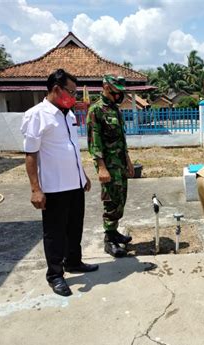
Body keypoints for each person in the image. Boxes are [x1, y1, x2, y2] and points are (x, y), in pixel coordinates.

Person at [21, 69, 98, 297]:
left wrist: (82, 175)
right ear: (56, 89)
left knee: (75, 227)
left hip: (74, 184)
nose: (74, 97)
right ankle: (55, 275)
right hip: (53, 188)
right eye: (71, 91)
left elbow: (72, 148)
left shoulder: (69, 114)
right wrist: (36, 189)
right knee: (55, 233)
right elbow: (30, 154)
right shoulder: (37, 115)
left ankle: (73, 261)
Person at [87, 75, 134, 258]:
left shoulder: (114, 110)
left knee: (120, 200)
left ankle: (114, 232)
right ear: (106, 87)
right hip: (109, 166)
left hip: (120, 164)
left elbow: (121, 140)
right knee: (111, 202)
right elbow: (94, 142)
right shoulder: (96, 110)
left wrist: (128, 161)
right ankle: (109, 241)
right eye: (116, 91)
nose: (119, 95)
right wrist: (101, 168)